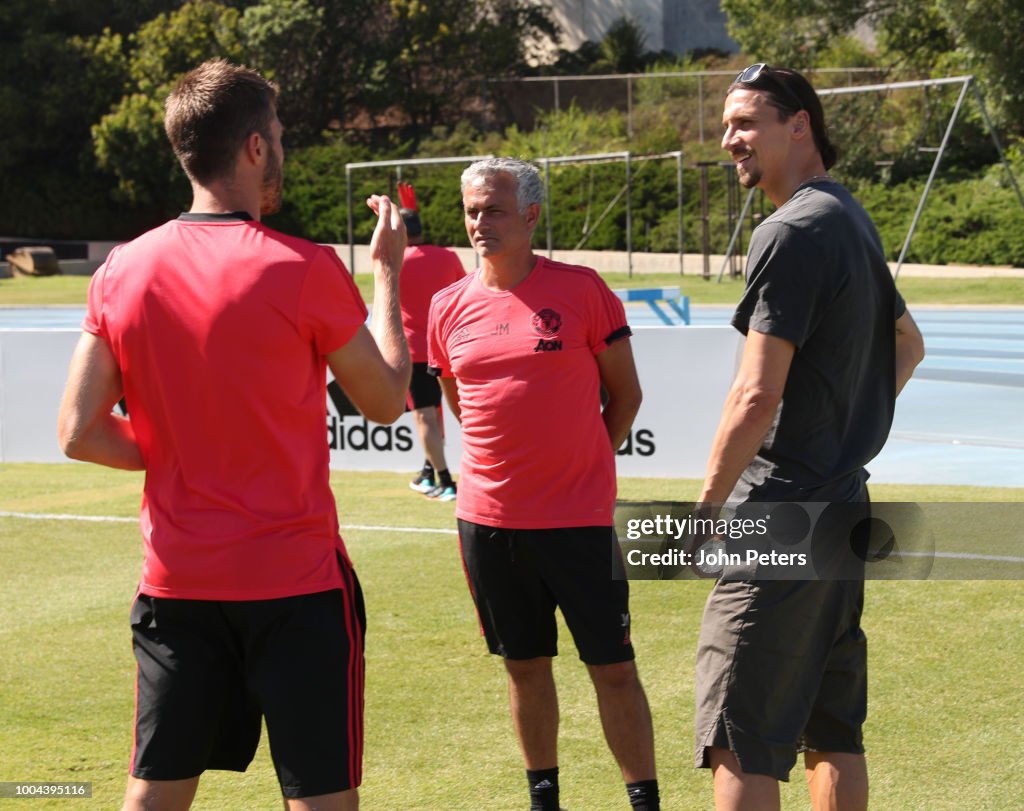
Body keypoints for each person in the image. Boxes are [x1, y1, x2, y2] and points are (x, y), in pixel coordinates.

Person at [56, 58, 410, 811]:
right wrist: (387, 276)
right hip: (296, 585)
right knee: (320, 798)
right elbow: (385, 400)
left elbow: (78, 432)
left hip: (178, 583)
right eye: (277, 134)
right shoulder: (302, 267)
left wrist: (180, 449)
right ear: (254, 148)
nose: (280, 147)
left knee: (153, 796)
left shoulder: (122, 269)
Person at [692, 64, 926, 811]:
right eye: (727, 125)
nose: (730, 139)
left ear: (800, 126)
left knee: (743, 732)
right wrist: (839, 427)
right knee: (833, 725)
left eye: (746, 122)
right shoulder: (848, 216)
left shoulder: (790, 228)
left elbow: (757, 392)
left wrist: (704, 508)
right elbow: (908, 344)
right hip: (842, 503)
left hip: (782, 506)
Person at [427, 157, 660, 811]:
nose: (479, 222)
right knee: (524, 666)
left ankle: (644, 799)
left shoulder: (583, 291)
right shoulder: (447, 305)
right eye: (472, 210)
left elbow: (627, 394)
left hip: (579, 522)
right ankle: (544, 798)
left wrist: (584, 462)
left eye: (493, 209)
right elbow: (459, 398)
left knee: (613, 668)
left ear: (530, 215)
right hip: (489, 523)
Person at [397, 182, 466, 501]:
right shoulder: (448, 256)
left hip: (415, 349)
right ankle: (430, 469)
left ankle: (444, 479)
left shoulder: (395, 261)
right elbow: (464, 294)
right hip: (449, 347)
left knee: (424, 413)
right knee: (443, 410)